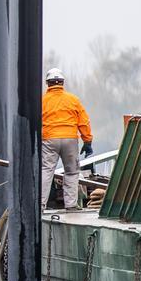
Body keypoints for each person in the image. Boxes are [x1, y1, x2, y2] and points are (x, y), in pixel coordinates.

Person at [41, 67, 92, 210]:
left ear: (48, 83)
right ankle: (71, 205)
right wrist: (87, 141)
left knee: (46, 170)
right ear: (62, 83)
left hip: (49, 139)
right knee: (72, 171)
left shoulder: (42, 101)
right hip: (70, 139)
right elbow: (84, 121)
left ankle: (40, 204)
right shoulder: (73, 100)